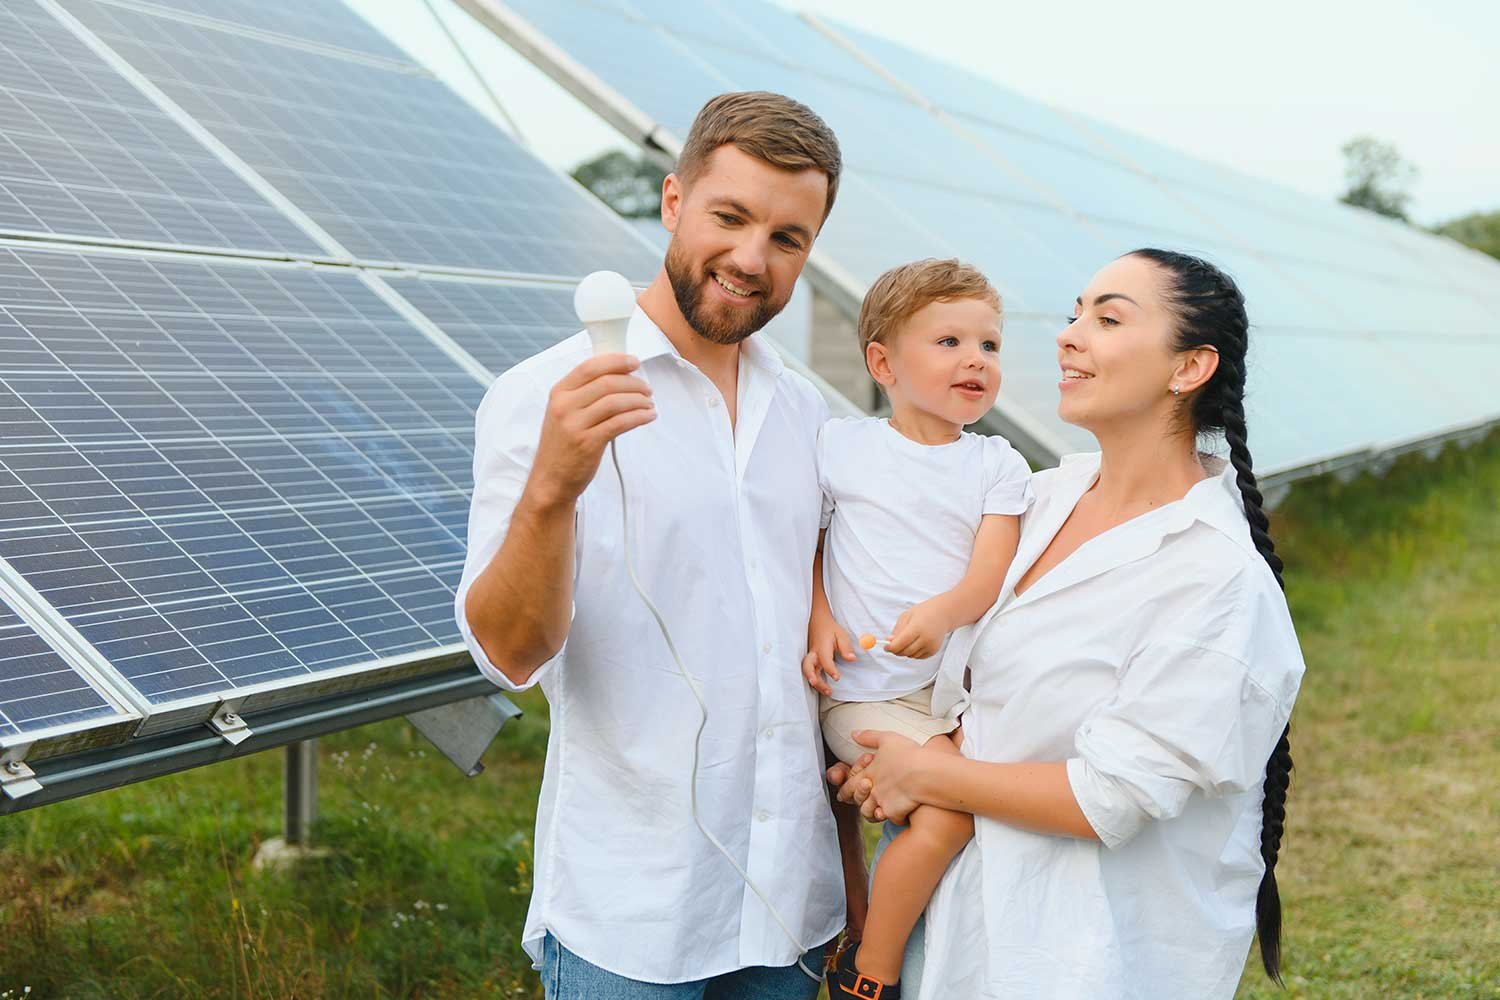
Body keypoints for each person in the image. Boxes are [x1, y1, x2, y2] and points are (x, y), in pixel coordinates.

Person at [456, 92, 855, 998]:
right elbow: (508, 653)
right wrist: (554, 487)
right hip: (631, 918)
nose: (752, 259)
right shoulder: (541, 397)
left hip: (789, 909)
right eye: (730, 216)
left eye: (788, 238)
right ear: (673, 202)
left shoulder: (806, 412)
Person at [834, 249, 1305, 999]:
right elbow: (991, 700)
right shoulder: (1042, 497)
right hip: (960, 928)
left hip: (1083, 957)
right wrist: (893, 760)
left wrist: (927, 773)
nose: (1068, 335)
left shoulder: (1216, 579)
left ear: (1189, 368)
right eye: (1073, 313)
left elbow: (1112, 795)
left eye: (1109, 318)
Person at [797, 259, 1031, 999]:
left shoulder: (998, 463)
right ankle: (874, 972)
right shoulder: (844, 448)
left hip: (945, 695)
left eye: (989, 346)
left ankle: (879, 938)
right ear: (883, 363)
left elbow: (986, 576)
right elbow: (805, 547)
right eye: (949, 341)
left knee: (954, 809)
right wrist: (821, 618)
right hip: (861, 690)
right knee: (947, 818)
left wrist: (943, 611)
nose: (975, 360)